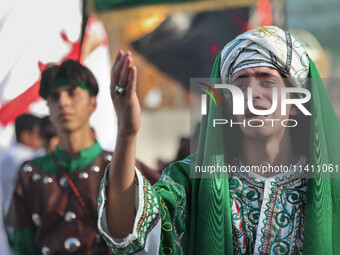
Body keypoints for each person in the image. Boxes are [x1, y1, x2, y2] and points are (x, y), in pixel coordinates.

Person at [97, 26, 340, 255]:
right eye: (240, 85)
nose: (252, 94)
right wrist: (128, 133)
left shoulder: (330, 182)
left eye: (267, 81)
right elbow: (128, 232)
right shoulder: (192, 181)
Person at [10, 60, 114, 255]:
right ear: (48, 107)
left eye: (72, 93)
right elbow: (22, 247)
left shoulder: (119, 167)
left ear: (93, 103)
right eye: (54, 96)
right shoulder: (30, 174)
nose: (63, 102)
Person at [1, 113, 43, 219]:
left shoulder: (9, 155)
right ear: (25, 136)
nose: (42, 139)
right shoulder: (22, 158)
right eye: (39, 134)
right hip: (19, 219)